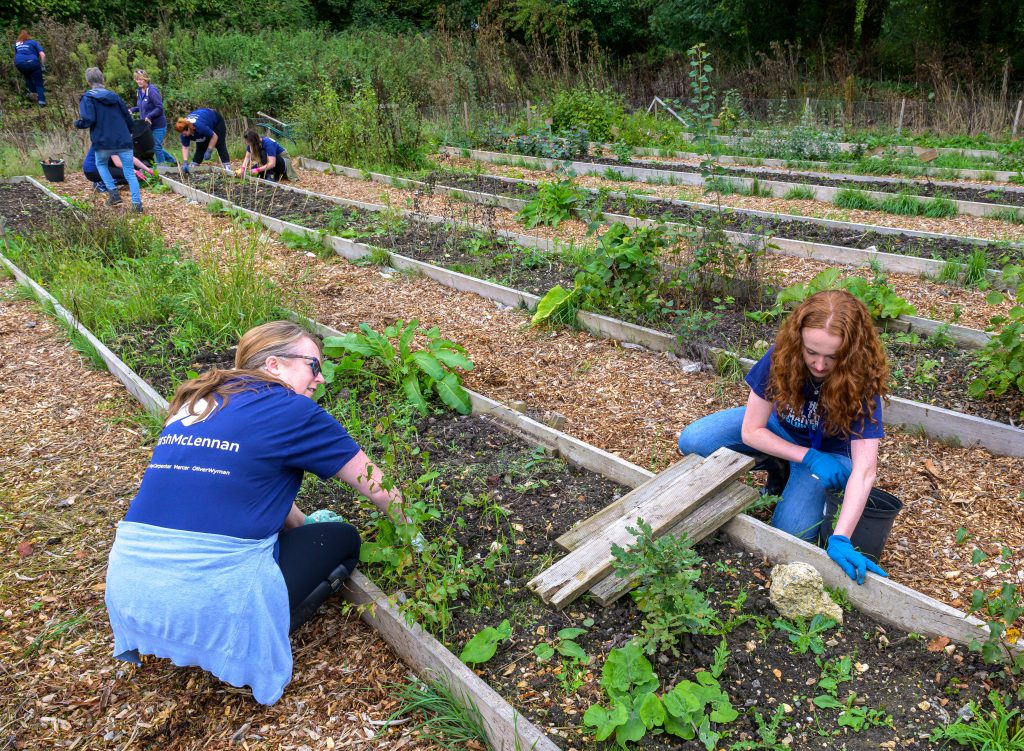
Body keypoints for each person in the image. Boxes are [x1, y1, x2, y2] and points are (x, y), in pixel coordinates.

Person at [104, 321, 410, 705]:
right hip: (207, 602)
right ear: (274, 365)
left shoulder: (199, 401)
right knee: (342, 539)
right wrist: (416, 540)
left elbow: (246, 486)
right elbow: (376, 486)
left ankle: (176, 629)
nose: (321, 379)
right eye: (313, 366)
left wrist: (302, 525)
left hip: (129, 592)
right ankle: (246, 636)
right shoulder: (293, 410)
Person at [677, 290, 890, 585]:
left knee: (790, 533)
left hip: (828, 456)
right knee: (694, 440)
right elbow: (752, 430)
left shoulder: (861, 378)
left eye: (832, 356)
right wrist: (806, 455)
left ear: (851, 351)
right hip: (778, 430)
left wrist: (841, 536)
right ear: (798, 339)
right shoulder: (782, 355)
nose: (819, 365)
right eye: (811, 352)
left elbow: (865, 470)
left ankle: (796, 474)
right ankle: (780, 465)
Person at [74, 67, 143, 213]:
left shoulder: (88, 98)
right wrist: (130, 132)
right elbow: (128, 118)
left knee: (101, 164)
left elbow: (88, 119)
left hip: (103, 141)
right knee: (130, 173)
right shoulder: (115, 97)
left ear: (88, 81)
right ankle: (137, 205)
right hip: (123, 140)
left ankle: (114, 194)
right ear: (102, 79)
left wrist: (78, 123)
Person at [130, 70, 176, 165]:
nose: (138, 81)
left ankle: (162, 167)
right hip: (147, 126)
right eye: (137, 79)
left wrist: (150, 116)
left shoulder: (152, 91)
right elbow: (142, 106)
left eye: (141, 79)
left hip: (158, 125)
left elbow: (159, 107)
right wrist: (132, 110)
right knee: (152, 146)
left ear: (146, 79)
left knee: (156, 146)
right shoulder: (139, 91)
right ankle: (172, 161)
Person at [175, 108, 230, 172]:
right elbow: (185, 147)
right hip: (202, 118)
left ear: (189, 128)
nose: (183, 135)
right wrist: (185, 162)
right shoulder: (183, 133)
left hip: (215, 120)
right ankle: (194, 164)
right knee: (201, 144)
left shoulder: (200, 127)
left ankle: (227, 166)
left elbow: (214, 137)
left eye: (184, 133)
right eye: (181, 133)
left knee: (219, 144)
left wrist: (209, 151)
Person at [82, 147, 154, 192]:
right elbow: (118, 163)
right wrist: (135, 171)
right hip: (93, 169)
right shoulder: (112, 139)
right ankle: (101, 184)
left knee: (132, 172)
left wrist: (148, 170)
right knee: (132, 176)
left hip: (99, 167)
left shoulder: (119, 140)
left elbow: (130, 157)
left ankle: (102, 181)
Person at [13, 30, 45, 106]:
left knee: (28, 78)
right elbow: (42, 55)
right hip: (33, 62)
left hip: (20, 64)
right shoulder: (33, 42)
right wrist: (43, 65)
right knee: (38, 82)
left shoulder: (17, 44)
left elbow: (17, 55)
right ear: (29, 36)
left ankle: (34, 96)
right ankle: (41, 102)